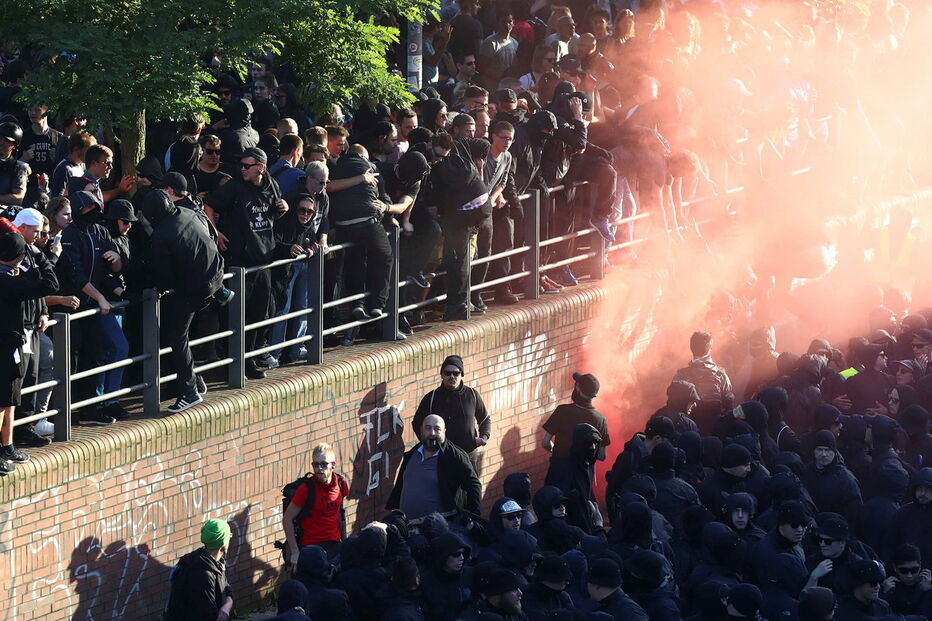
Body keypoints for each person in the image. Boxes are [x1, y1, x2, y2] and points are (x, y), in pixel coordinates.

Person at [204, 147, 287, 380]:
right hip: (240, 260)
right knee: (239, 314)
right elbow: (208, 204)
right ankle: (235, 362)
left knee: (260, 314)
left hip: (264, 258)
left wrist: (283, 209)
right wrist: (216, 232)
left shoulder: (270, 183)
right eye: (241, 165)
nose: (242, 169)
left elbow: (274, 210)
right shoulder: (234, 187)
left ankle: (250, 359)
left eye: (247, 166)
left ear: (260, 167)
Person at [144, 189, 226, 412]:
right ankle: (193, 379)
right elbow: (208, 234)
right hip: (215, 273)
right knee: (183, 333)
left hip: (195, 288)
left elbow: (165, 275)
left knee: (176, 336)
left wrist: (159, 289)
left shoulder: (161, 235)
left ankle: (190, 391)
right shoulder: (187, 212)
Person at [55, 190, 120, 425]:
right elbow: (75, 275)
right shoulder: (70, 235)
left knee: (94, 356)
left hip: (93, 308)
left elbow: (115, 268)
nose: (92, 212)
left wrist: (117, 257)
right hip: (74, 308)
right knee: (71, 358)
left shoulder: (101, 231)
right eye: (87, 208)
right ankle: (65, 410)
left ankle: (89, 409)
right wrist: (100, 298)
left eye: (95, 208)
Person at [0, 231, 58, 471]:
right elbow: (50, 284)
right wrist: (44, 258)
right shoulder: (8, 282)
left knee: (10, 399)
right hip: (6, 347)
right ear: (19, 256)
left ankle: (7, 445)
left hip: (9, 345)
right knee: (2, 401)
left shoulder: (11, 276)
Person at [386, 414, 481, 521]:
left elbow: (474, 485)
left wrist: (472, 517)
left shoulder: (454, 457)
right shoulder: (413, 453)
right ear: (421, 430)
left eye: (437, 429)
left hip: (436, 530)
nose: (432, 433)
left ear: (444, 431)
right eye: (428, 428)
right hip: (408, 526)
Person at [412, 355, 491, 475]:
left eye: (456, 373)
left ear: (461, 375)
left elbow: (485, 419)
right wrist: (429, 444)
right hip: (441, 457)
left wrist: (483, 438)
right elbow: (417, 422)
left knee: (470, 491)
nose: (452, 377)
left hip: (467, 455)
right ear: (442, 375)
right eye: (447, 373)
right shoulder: (432, 398)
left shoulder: (472, 395)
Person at [282, 443, 349, 566]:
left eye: (323, 464)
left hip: (334, 547)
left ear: (333, 465)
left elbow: (340, 514)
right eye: (315, 464)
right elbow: (287, 519)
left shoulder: (341, 484)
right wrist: (295, 551)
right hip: (310, 549)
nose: (319, 469)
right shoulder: (306, 489)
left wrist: (345, 543)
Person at [163, 518, 234, 621]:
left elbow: (227, 589)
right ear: (223, 543)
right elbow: (209, 616)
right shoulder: (204, 574)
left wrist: (227, 606)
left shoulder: (214, 563)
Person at [544, 423, 603, 533]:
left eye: (595, 443)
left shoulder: (588, 466)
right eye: (589, 443)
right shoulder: (562, 469)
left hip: (586, 523)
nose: (593, 447)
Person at [673, 331, 734, 433]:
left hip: (689, 431)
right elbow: (729, 403)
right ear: (710, 349)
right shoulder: (721, 374)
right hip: (716, 431)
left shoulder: (681, 376)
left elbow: (673, 404)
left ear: (691, 348)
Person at [605, 415, 675, 505]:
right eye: (669, 441)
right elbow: (612, 491)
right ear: (657, 438)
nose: (671, 445)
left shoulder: (659, 457)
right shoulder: (628, 458)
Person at [542, 372, 611, 461]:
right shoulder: (601, 420)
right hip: (583, 474)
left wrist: (556, 452)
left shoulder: (562, 411)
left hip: (558, 471)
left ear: (578, 389)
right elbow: (601, 456)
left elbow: (545, 443)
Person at [801, 429, 863, 523]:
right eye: (819, 449)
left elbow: (854, 514)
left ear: (834, 451)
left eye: (828, 450)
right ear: (814, 450)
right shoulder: (807, 472)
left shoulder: (846, 480)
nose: (823, 454)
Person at [884, 543, 932, 617]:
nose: (909, 575)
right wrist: (884, 594)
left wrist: (928, 591)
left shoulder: (926, 587)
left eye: (914, 570)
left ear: (920, 566)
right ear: (895, 568)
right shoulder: (888, 587)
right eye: (904, 570)